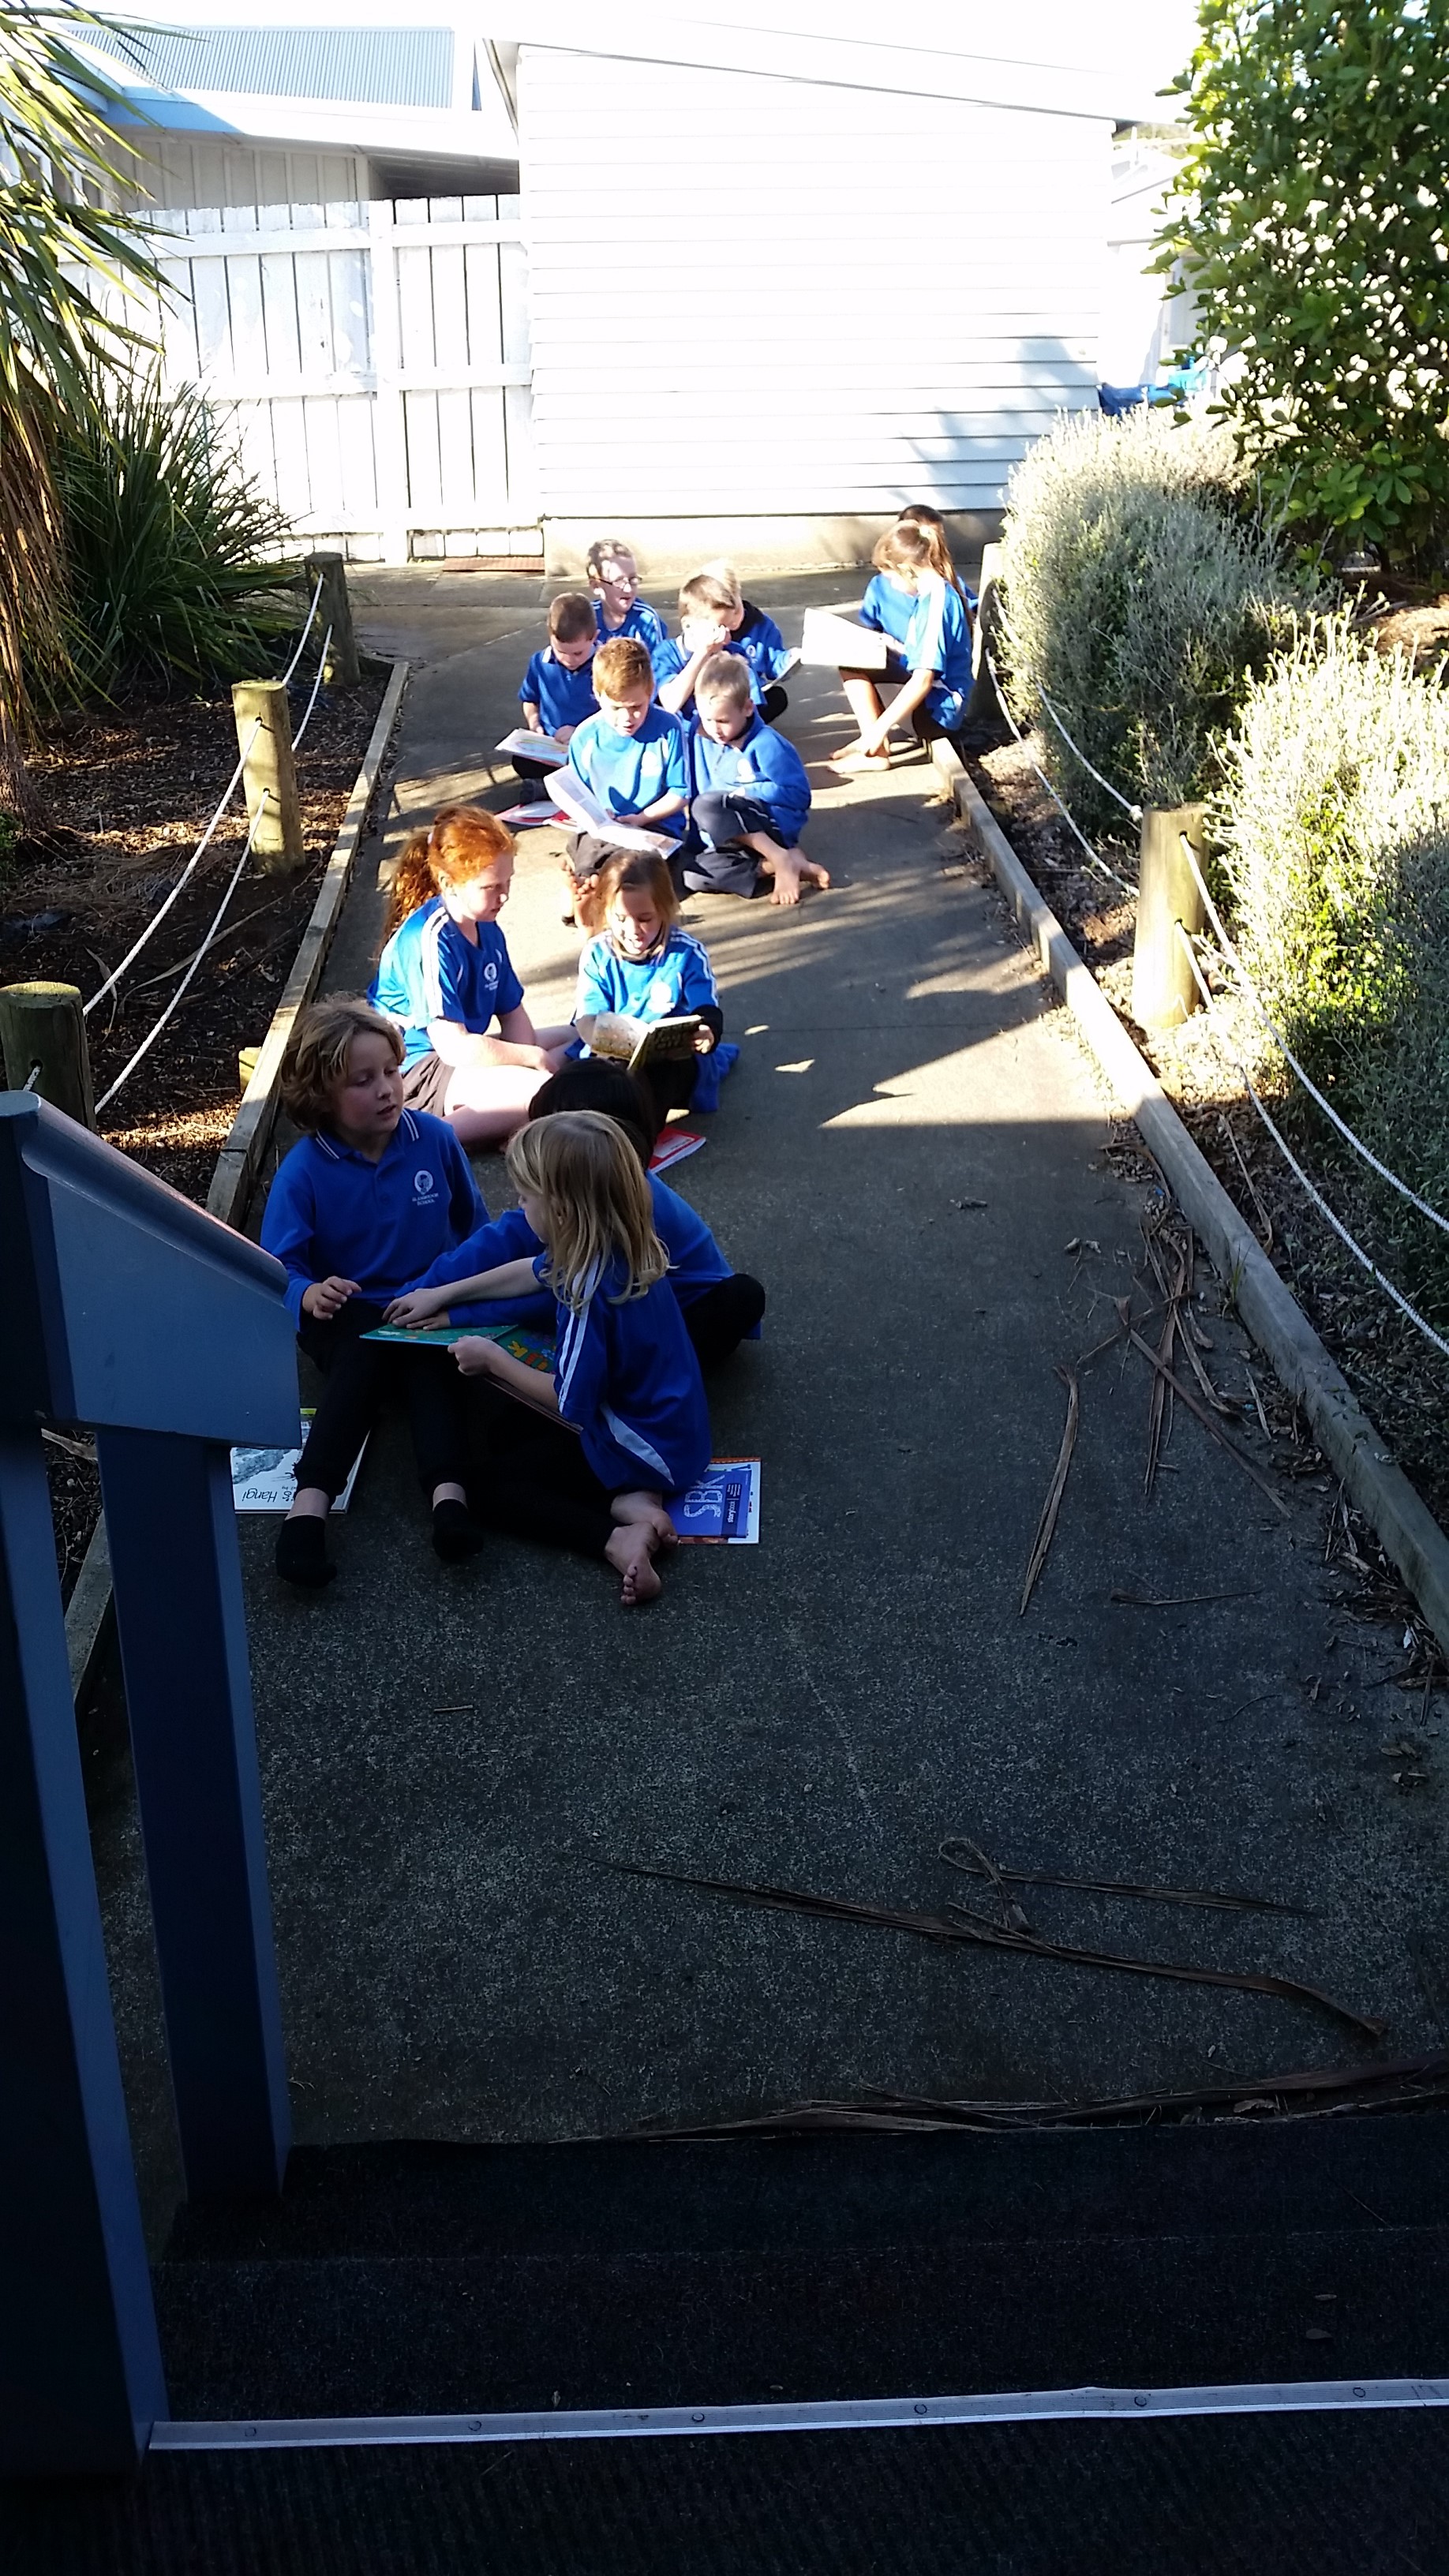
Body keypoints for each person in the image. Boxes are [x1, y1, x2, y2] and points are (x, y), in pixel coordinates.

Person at [397, 1112, 712, 1606]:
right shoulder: (612, 1245)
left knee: (487, 1487)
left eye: (525, 1198)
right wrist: (444, 1295)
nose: (519, 1207)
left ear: (561, 1211)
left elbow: (569, 1402)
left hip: (647, 1448)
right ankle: (633, 1501)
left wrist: (493, 1359)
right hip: (678, 1433)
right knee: (508, 1435)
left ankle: (616, 1538)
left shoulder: (587, 1293)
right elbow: (528, 1272)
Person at [260, 997, 489, 1588]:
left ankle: (450, 1502)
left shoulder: (434, 1138)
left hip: (424, 1301)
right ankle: (306, 1513)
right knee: (361, 1363)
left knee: (431, 1369)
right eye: (363, 1081)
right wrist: (309, 1293)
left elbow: (477, 1232)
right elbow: (277, 1269)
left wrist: (460, 1293)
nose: (387, 1088)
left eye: (391, 1070)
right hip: (346, 1310)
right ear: (321, 1095)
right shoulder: (303, 1171)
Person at [395, 1057, 766, 1366]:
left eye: (545, 1135)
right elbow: (511, 1248)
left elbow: (561, 1295)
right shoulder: (588, 1189)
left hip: (689, 1313)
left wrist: (454, 1314)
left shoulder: (625, 1212)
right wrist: (423, 1292)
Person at [369, 803, 573, 1146]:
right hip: (416, 1070)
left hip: (459, 1061)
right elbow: (454, 1048)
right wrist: (530, 1060)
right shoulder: (429, 938)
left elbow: (514, 1017)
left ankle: (511, 1115)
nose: (505, 895)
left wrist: (527, 1059)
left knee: (576, 1038)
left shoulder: (487, 927)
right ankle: (421, 1141)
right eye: (491, 886)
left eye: (508, 881)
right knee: (544, 1089)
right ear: (449, 883)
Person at [572, 848, 723, 1127]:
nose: (633, 930)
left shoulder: (686, 953)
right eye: (620, 919)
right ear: (605, 910)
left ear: (665, 910)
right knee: (581, 1086)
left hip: (672, 1062)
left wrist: (707, 1032)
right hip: (614, 1054)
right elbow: (587, 1020)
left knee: (655, 1081)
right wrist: (606, 1046)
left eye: (644, 918)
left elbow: (707, 1008)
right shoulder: (597, 953)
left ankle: (639, 1137)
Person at [687, 652, 829, 907]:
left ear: (747, 708)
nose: (715, 728)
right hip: (730, 836)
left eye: (723, 721)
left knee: (706, 804)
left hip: (768, 826)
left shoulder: (767, 744)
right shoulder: (698, 734)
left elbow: (799, 795)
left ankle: (779, 855)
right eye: (707, 719)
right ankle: (781, 863)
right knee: (694, 875)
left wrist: (747, 791)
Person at [832, 522, 975, 773]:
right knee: (853, 655)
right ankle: (872, 744)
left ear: (907, 570)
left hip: (936, 713)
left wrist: (879, 729)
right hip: (935, 702)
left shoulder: (936, 604)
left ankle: (874, 747)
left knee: (852, 664)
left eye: (891, 578)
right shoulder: (932, 593)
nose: (892, 586)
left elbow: (923, 680)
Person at [560, 635, 691, 904]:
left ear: (651, 691)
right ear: (598, 695)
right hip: (604, 828)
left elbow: (680, 792)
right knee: (588, 852)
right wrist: (597, 816)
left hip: (654, 826)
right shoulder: (585, 736)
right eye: (616, 708)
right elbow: (578, 794)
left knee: (637, 865)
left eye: (636, 707)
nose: (627, 718)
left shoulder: (668, 728)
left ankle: (595, 892)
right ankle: (587, 889)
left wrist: (641, 818)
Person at [653, 568, 785, 724]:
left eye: (728, 628)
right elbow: (671, 704)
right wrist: (703, 653)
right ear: (688, 625)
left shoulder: (734, 653)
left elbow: (751, 713)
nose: (726, 635)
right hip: (684, 732)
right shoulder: (664, 654)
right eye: (719, 628)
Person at [513, 592, 597, 800]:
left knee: (599, 765)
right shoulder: (540, 662)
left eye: (577, 653)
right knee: (521, 761)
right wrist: (535, 724)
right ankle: (559, 788)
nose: (569, 659)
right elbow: (530, 699)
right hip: (552, 748)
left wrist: (580, 733)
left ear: (594, 637)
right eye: (561, 652)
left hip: (590, 747)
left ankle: (551, 790)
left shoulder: (604, 666)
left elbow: (614, 713)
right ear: (550, 637)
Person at [587, 536, 668, 655]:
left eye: (632, 579)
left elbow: (658, 664)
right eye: (618, 581)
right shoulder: (586, 618)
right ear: (596, 586)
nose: (628, 588)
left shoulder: (646, 619)